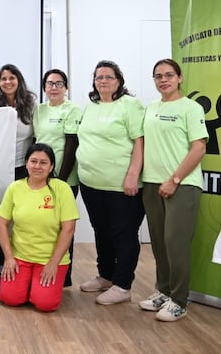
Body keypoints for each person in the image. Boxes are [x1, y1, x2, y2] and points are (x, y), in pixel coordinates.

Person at [139, 59, 207, 322]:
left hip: (182, 184)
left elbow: (199, 147)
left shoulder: (191, 108)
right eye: (158, 76)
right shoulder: (150, 109)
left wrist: (175, 179)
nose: (163, 80)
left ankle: (179, 300)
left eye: (169, 75)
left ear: (179, 78)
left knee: (175, 244)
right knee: (158, 243)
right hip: (152, 184)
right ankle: (164, 292)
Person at [77, 60, 145, 305]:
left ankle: (122, 285)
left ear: (119, 80)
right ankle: (105, 275)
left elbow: (140, 140)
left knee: (123, 234)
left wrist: (132, 175)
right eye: (98, 77)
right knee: (101, 231)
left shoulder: (130, 105)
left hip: (121, 185)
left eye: (108, 77)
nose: (103, 81)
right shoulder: (91, 106)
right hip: (91, 182)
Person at [0, 143, 79, 311]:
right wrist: (9, 258)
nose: (37, 166)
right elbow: (2, 224)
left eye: (43, 162)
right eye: (33, 161)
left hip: (50, 259)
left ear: (51, 167)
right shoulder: (15, 188)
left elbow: (68, 229)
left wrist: (53, 263)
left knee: (45, 304)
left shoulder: (62, 189)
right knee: (10, 299)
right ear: (26, 163)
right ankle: (28, 284)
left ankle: (35, 287)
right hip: (20, 257)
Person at [33, 69, 82, 286]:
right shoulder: (39, 110)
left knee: (64, 226)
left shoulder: (72, 109)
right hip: (40, 177)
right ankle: (42, 268)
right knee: (44, 223)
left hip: (64, 177)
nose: (54, 87)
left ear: (66, 87)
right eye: (50, 83)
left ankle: (65, 275)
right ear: (44, 87)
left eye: (59, 83)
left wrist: (60, 180)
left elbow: (72, 144)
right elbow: (36, 140)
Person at [0, 64, 36, 180]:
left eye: (12, 78)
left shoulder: (31, 102)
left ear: (19, 80)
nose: (8, 82)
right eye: (3, 79)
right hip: (0, 163)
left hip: (25, 164)